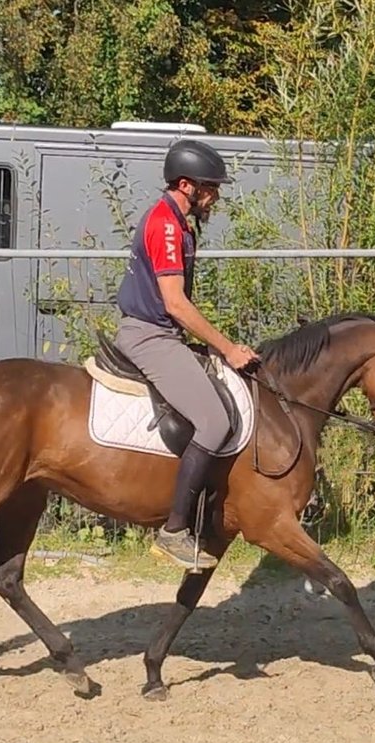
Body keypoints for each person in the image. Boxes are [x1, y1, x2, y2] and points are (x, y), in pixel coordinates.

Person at [113, 138, 260, 570]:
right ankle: (174, 530)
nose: (214, 195)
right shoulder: (166, 226)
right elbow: (175, 303)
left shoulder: (178, 222)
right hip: (149, 336)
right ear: (185, 185)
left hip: (161, 333)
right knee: (215, 421)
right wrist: (228, 348)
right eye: (209, 187)